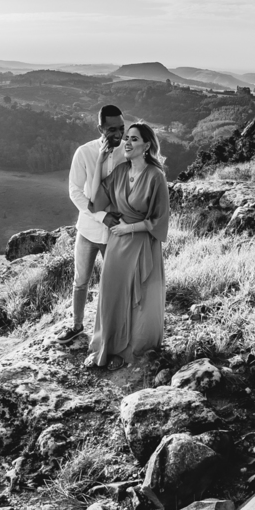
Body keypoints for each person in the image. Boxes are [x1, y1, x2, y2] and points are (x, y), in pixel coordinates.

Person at [85, 122, 170, 370]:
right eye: (127, 139)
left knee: (139, 298)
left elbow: (159, 220)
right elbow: (95, 199)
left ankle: (129, 350)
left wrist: (128, 228)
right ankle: (108, 346)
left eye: (134, 139)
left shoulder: (156, 177)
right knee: (112, 293)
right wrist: (100, 162)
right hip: (117, 244)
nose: (128, 143)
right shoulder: (120, 171)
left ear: (146, 145)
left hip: (142, 243)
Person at [57, 105, 126, 345]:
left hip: (116, 231)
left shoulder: (128, 152)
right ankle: (76, 326)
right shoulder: (84, 152)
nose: (118, 134)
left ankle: (113, 330)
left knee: (115, 284)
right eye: (112, 130)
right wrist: (100, 216)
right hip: (87, 230)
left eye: (121, 128)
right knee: (81, 280)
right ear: (100, 128)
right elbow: (75, 191)